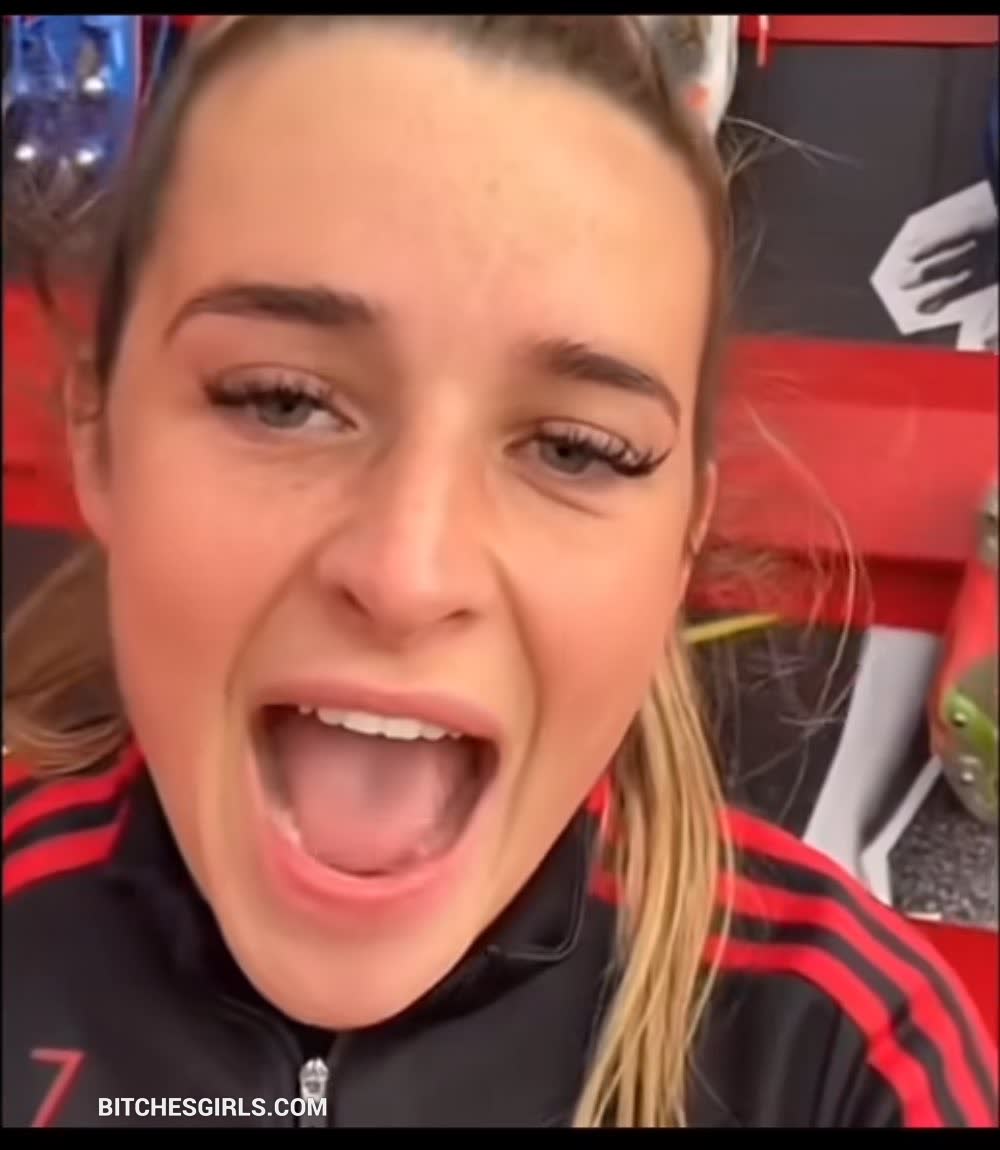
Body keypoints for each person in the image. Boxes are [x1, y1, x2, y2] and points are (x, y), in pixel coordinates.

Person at [3, 15, 996, 1129]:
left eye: (575, 450)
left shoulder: (843, 1066)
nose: (409, 572)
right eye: (281, 401)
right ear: (98, 435)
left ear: (681, 540)